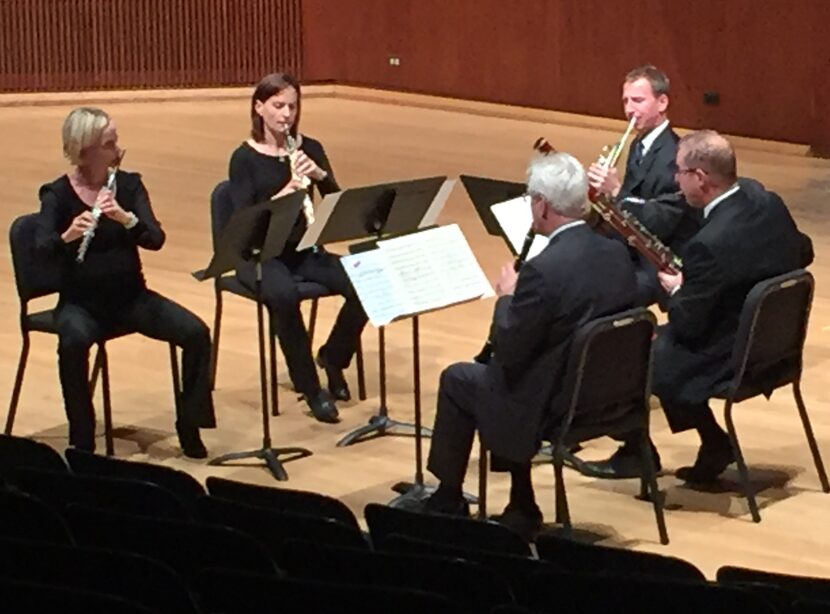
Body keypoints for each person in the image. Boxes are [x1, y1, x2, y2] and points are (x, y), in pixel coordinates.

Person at [405, 152, 637, 539]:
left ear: (542, 205)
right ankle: (519, 500)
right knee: (506, 375)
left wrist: (506, 298)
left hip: (558, 401)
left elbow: (511, 347)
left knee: (461, 379)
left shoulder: (544, 271)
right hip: (609, 392)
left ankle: (449, 498)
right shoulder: (615, 253)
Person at [580, 130, 811, 482]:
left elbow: (688, 323)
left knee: (627, 355)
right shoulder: (765, 200)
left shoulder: (708, 245)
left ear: (701, 178)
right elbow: (803, 251)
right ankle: (714, 442)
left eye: (679, 172)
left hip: (731, 351)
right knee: (658, 347)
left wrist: (676, 289)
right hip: (774, 342)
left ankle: (636, 453)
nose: (675, 179)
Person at [36, 107, 215, 458]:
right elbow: (41, 250)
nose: (118, 148)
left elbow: (155, 239)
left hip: (132, 298)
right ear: (86, 150)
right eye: (110, 143)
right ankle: (82, 440)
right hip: (80, 303)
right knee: (72, 342)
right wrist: (69, 235)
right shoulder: (56, 195)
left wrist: (126, 218)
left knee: (196, 333)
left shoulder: (128, 186)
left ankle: (189, 425)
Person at [227, 72, 368, 424]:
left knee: (367, 284)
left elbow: (337, 203)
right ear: (259, 108)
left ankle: (334, 358)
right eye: (277, 106)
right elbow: (244, 221)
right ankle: (310, 388)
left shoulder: (310, 148)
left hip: (303, 250)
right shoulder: (243, 159)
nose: (286, 114)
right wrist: (284, 194)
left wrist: (320, 176)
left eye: (292, 106)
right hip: (260, 254)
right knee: (284, 297)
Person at [587, 65, 700, 306]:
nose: (629, 109)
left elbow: (661, 221)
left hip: (657, 259)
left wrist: (616, 190)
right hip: (631, 243)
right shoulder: (639, 145)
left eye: (638, 100)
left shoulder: (676, 156)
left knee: (598, 287)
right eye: (626, 101)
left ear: (662, 103)